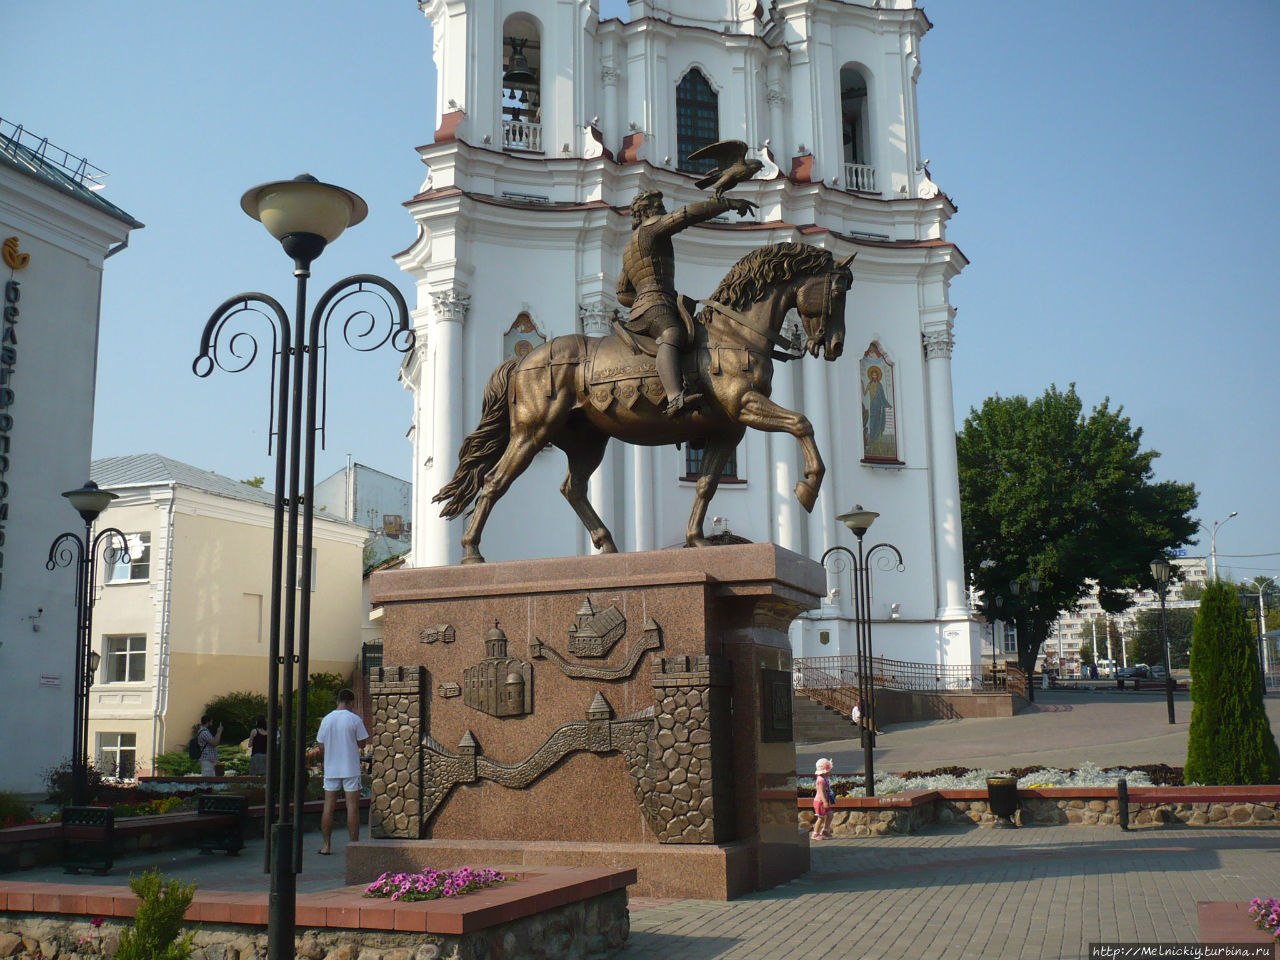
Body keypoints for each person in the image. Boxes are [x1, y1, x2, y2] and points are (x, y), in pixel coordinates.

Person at [616, 189, 755, 417]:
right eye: (656, 206)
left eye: (661, 205)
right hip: (656, 305)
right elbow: (685, 215)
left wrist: (643, 298)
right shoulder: (651, 229)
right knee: (672, 333)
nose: (661, 209)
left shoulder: (629, 248)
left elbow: (622, 292)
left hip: (648, 303)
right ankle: (675, 398)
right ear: (644, 212)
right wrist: (725, 204)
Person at [308, 689, 369, 856]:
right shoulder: (355, 719)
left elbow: (320, 746)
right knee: (352, 807)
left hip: (331, 768)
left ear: (338, 701)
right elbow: (363, 744)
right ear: (350, 703)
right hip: (350, 767)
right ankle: (353, 846)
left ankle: (326, 845)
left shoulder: (326, 720)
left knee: (328, 806)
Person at [811, 757, 834, 840]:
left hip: (825, 800)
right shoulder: (821, 780)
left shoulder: (825, 778)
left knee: (830, 815)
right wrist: (824, 801)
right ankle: (815, 833)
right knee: (821, 818)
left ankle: (825, 830)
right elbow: (820, 791)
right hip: (820, 801)